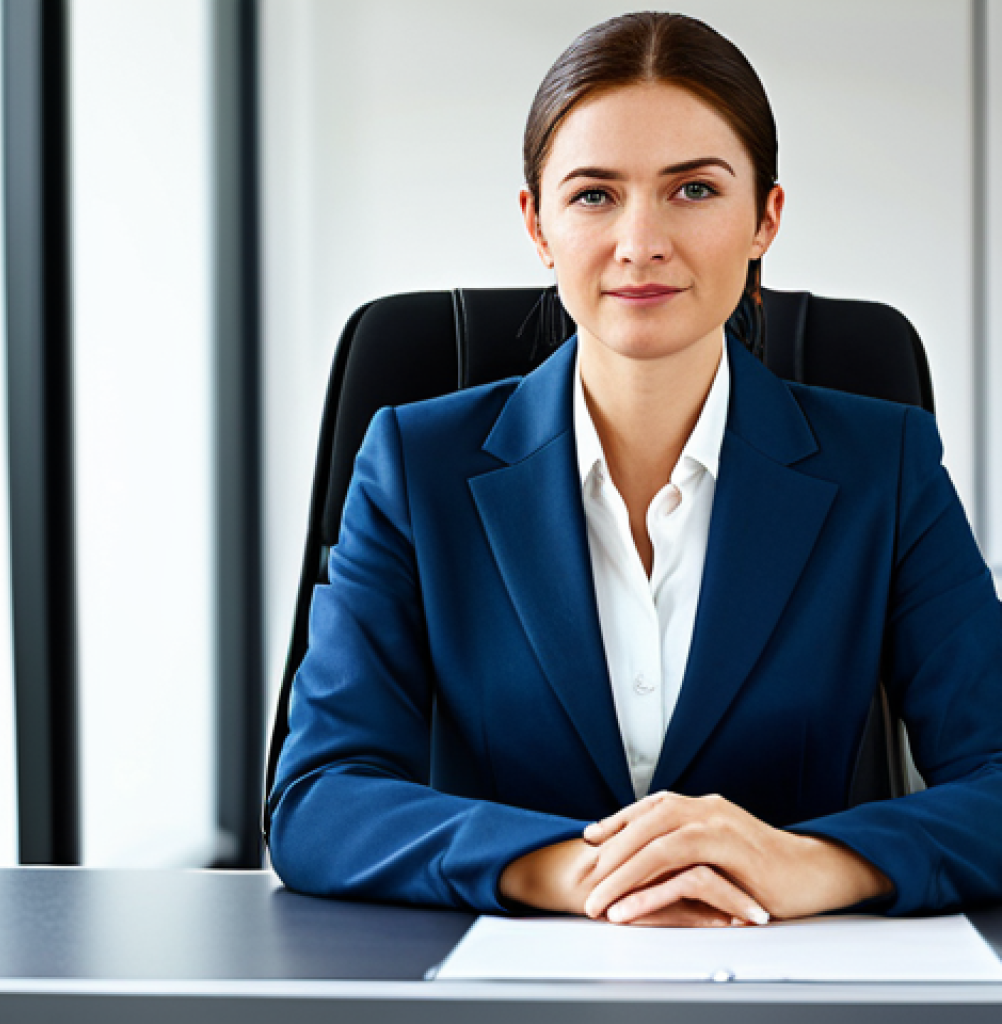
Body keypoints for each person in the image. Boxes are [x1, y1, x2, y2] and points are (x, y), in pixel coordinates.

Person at [268, 12, 1002, 926]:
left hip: (792, 981)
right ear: (536, 223)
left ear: (765, 217)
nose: (641, 242)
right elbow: (318, 798)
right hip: (509, 982)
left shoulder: (884, 468)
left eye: (693, 190)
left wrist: (813, 866)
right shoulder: (415, 466)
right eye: (593, 195)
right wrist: (574, 873)